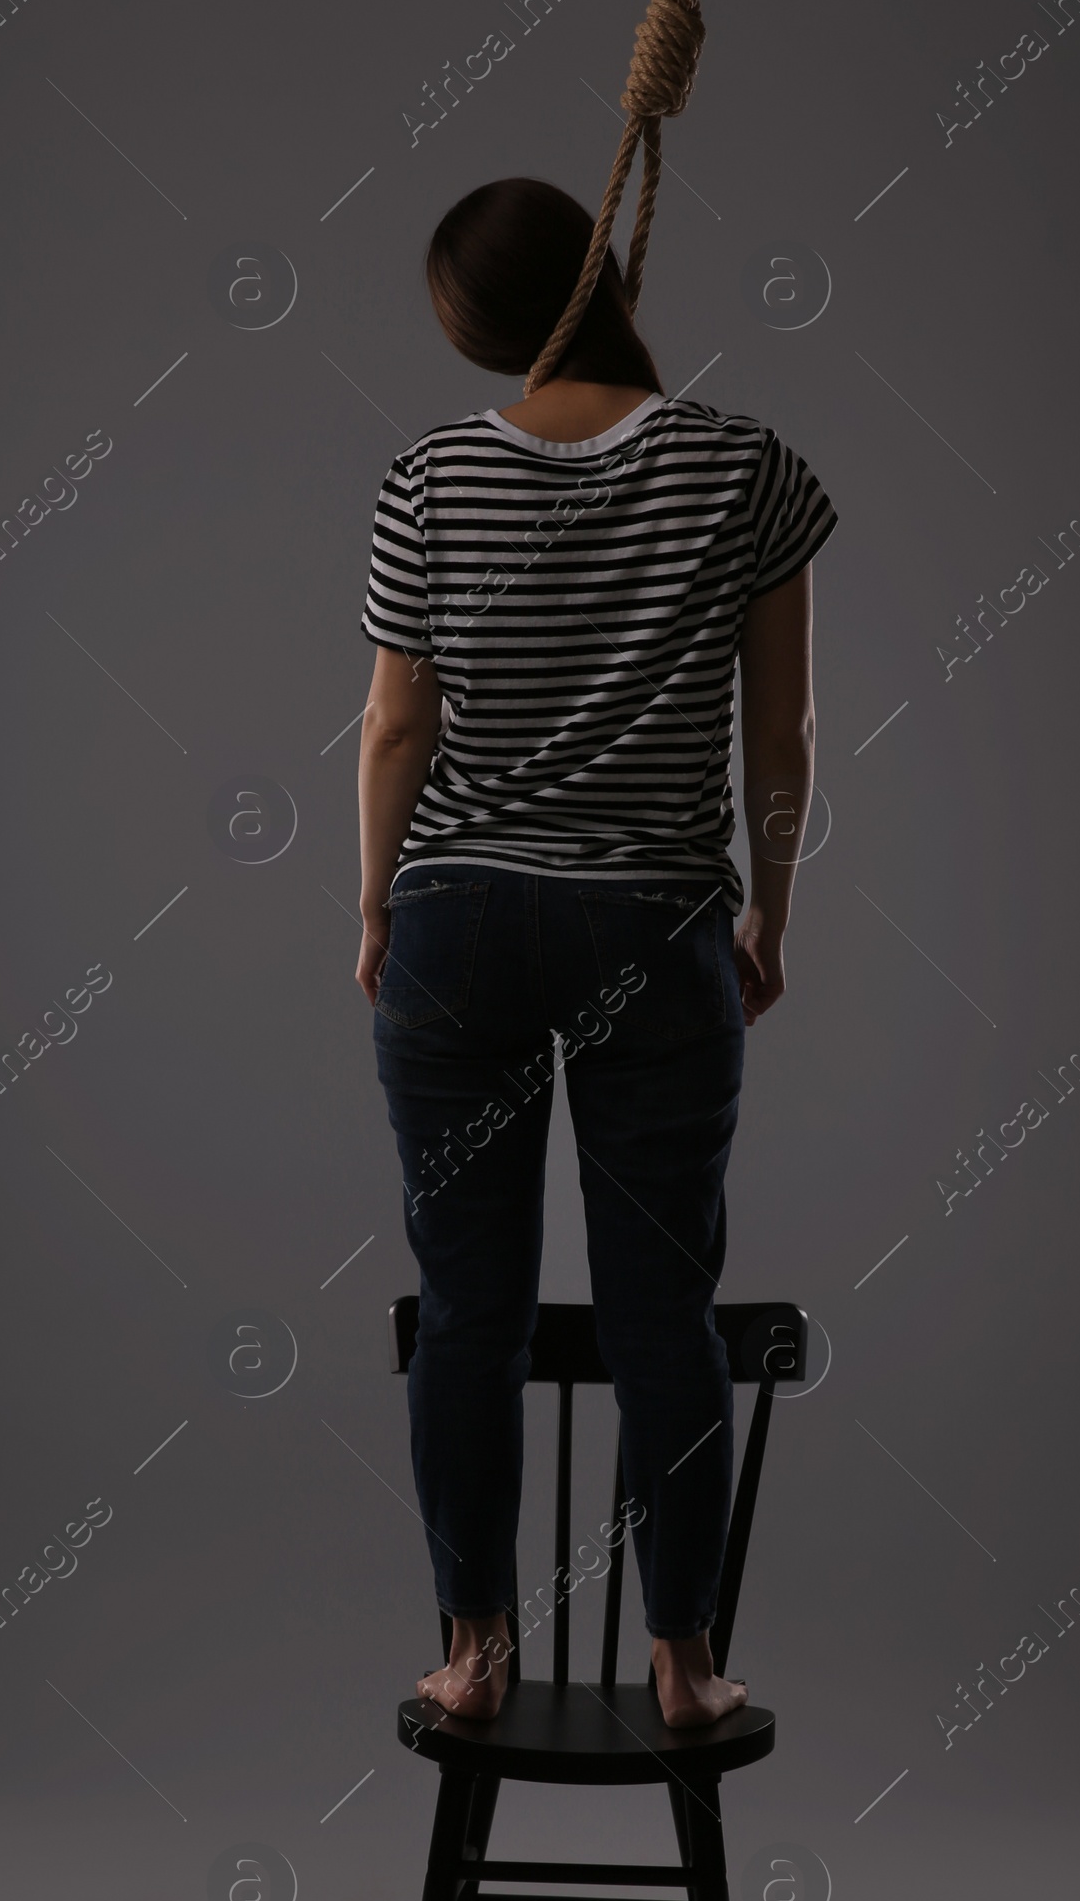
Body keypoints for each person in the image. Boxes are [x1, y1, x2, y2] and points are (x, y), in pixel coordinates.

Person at [356, 177, 835, 1729]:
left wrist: (375, 908)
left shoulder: (430, 476)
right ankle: (685, 1664)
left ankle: (476, 1654)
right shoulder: (746, 468)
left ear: (483, 330)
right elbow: (783, 731)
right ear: (606, 274)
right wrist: (770, 907)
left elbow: (395, 726)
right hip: (658, 928)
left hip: (460, 931)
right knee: (661, 1316)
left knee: (468, 1308)